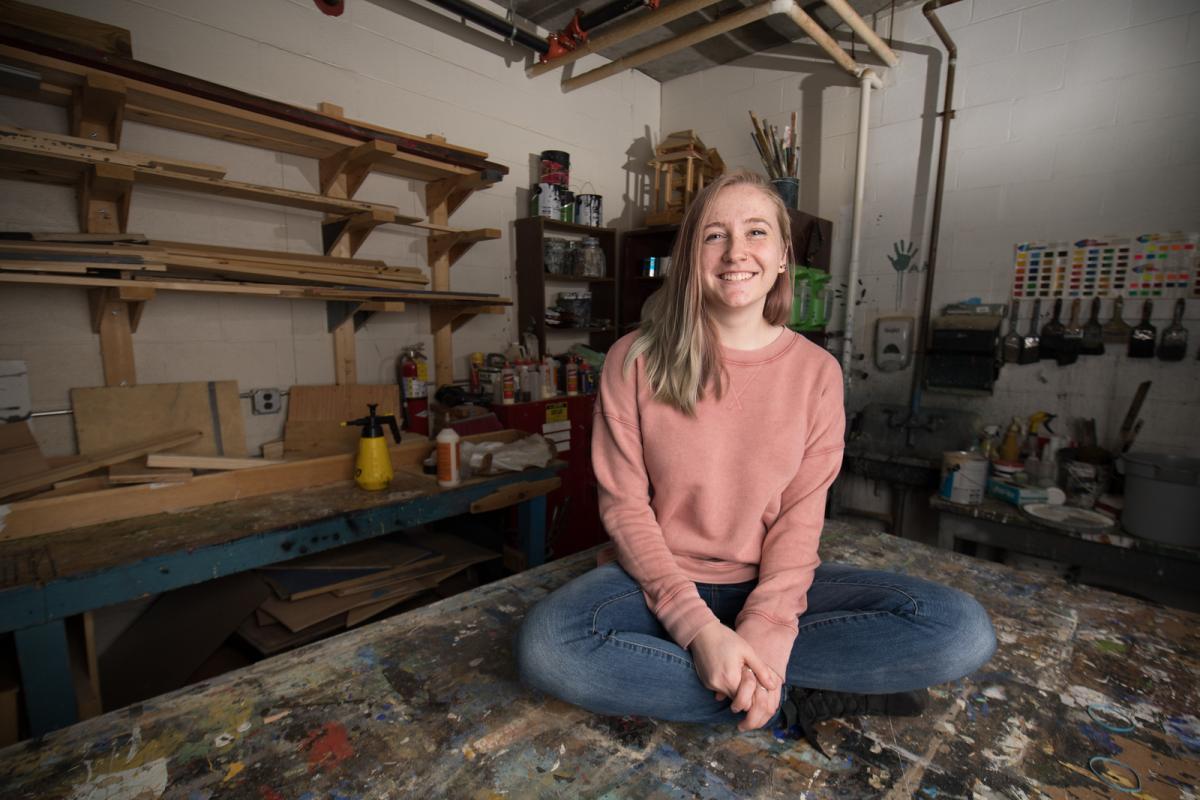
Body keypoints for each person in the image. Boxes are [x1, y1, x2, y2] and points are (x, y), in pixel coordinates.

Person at [516, 170, 996, 752]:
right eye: (714, 235)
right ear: (690, 256)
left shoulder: (817, 373)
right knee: (549, 649)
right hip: (653, 581)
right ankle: (786, 692)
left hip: (766, 581)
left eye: (756, 232)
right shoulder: (634, 359)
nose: (735, 252)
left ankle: (740, 674)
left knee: (960, 630)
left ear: (783, 255)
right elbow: (624, 507)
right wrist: (698, 630)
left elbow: (800, 517)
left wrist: (767, 625)